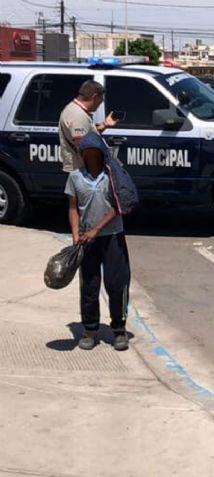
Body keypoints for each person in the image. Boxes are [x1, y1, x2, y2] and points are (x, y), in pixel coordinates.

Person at [66, 132, 131, 351]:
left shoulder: (113, 176)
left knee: (116, 284)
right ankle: (90, 330)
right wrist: (76, 233)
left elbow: (118, 206)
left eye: (95, 153)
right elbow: (73, 207)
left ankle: (119, 330)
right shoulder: (75, 178)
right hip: (87, 241)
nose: (91, 157)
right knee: (89, 285)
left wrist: (97, 229)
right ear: (83, 155)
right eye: (87, 153)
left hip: (112, 237)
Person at [58, 80, 119, 173]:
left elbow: (87, 136)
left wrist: (104, 125)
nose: (101, 103)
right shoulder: (77, 115)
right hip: (81, 172)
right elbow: (85, 146)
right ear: (95, 97)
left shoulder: (79, 111)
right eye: (101, 99)